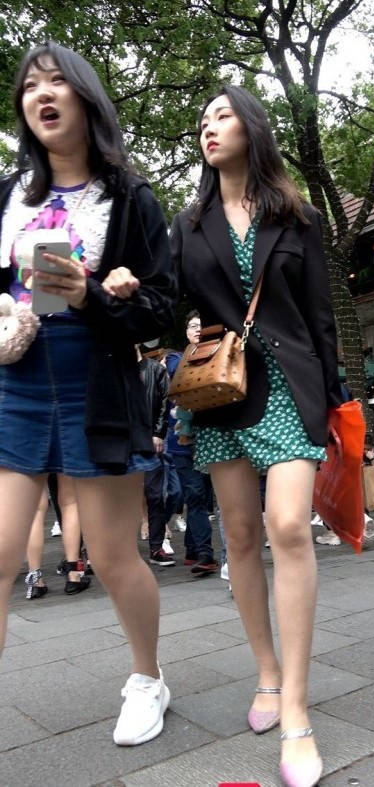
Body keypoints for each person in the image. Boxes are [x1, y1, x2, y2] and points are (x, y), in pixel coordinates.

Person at [0, 42, 176, 747]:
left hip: (95, 385)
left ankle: (147, 678)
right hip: (15, 381)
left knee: (111, 555)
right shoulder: (8, 194)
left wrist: (95, 295)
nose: (41, 94)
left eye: (55, 82)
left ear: (84, 96)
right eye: (29, 86)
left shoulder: (129, 198)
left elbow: (162, 311)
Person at [169, 85, 342, 787]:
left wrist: (336, 402)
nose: (208, 127)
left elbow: (320, 313)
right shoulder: (188, 225)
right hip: (223, 390)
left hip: (290, 385)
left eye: (222, 114)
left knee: (287, 526)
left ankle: (296, 708)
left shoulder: (295, 215)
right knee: (239, 534)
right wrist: (182, 323)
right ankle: (266, 673)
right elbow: (171, 303)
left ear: (251, 126)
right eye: (202, 120)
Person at [165, 313, 218, 575]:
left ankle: (192, 550)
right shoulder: (176, 358)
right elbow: (179, 372)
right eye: (193, 326)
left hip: (210, 438)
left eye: (201, 325)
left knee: (202, 497)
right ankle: (205, 554)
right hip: (182, 443)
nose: (197, 329)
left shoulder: (217, 353)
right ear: (186, 332)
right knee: (196, 495)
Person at [137, 345, 175, 566]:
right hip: (122, 440)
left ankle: (156, 546)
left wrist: (158, 433)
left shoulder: (155, 369)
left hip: (150, 438)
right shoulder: (115, 369)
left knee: (155, 494)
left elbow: (164, 403)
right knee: (120, 497)